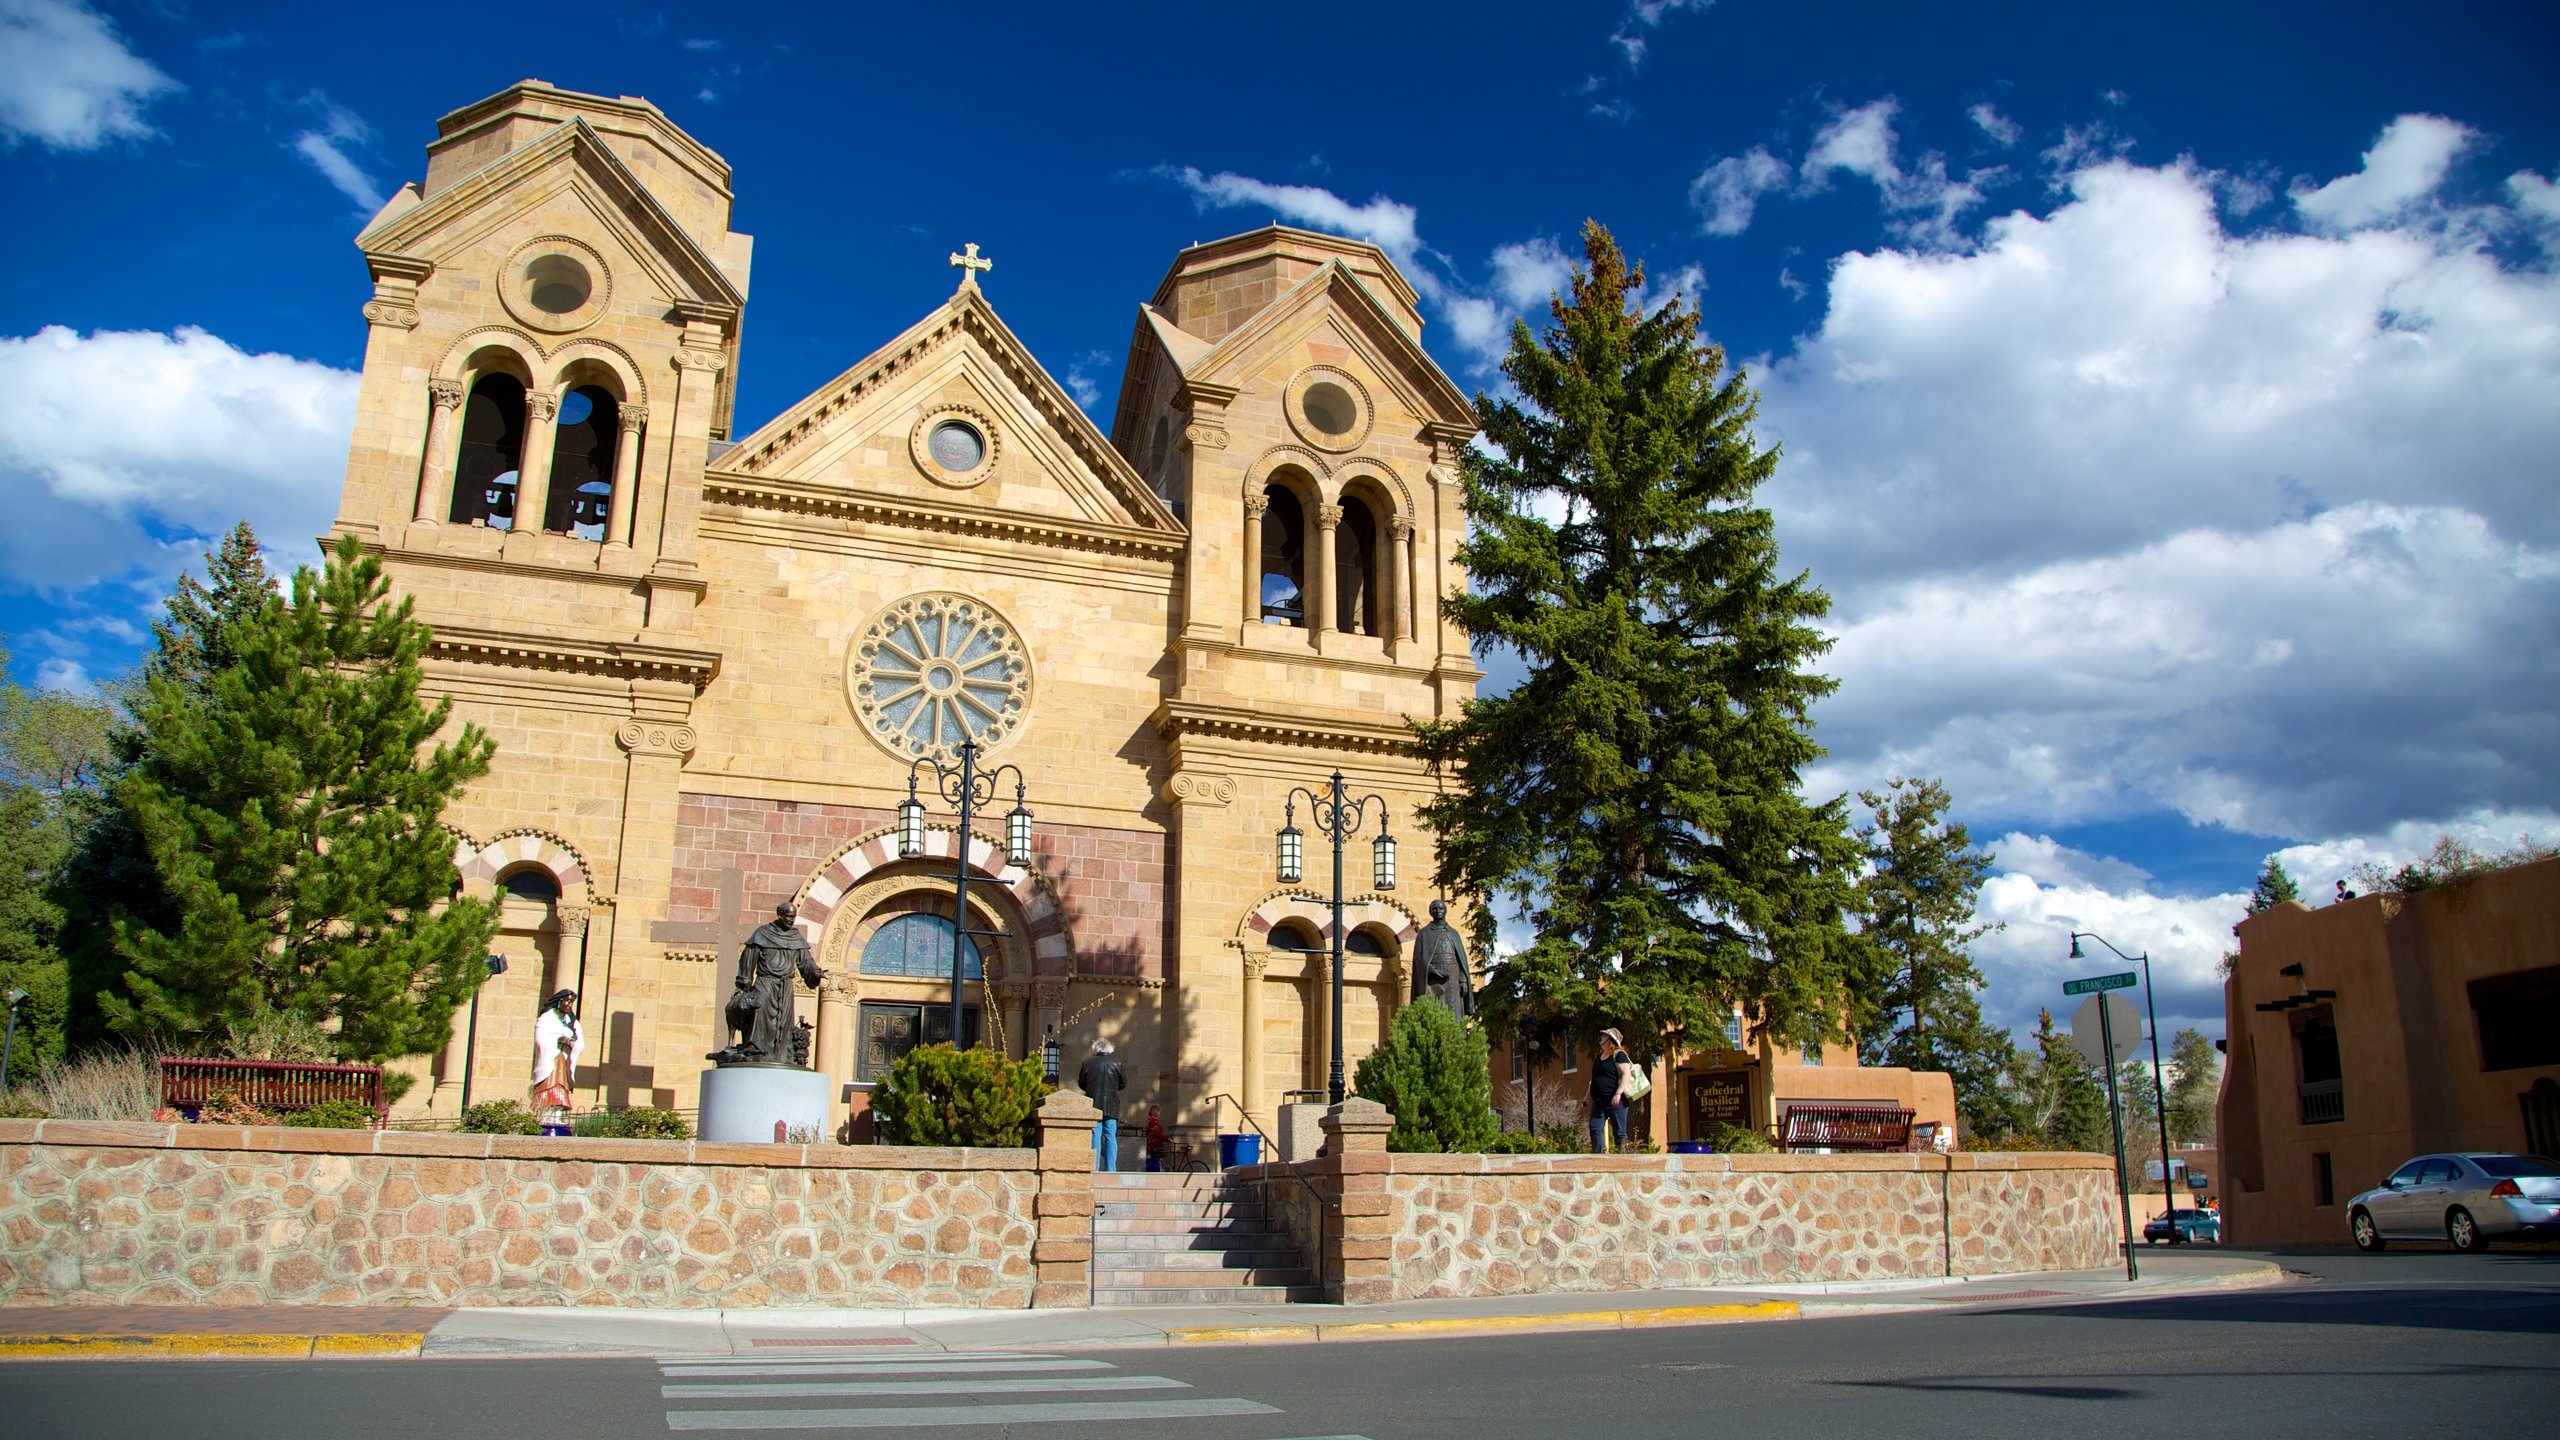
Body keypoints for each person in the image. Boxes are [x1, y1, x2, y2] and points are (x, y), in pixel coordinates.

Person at [531, 989, 582, 1134]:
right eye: (566, 1001)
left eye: (571, 1002)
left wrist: (570, 1043)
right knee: (550, 1086)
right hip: (550, 1060)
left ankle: (557, 1116)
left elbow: (580, 1043)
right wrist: (556, 1041)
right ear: (558, 1001)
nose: (568, 1005)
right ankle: (546, 1116)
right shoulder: (546, 1019)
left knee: (561, 1088)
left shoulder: (571, 1022)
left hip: (563, 1060)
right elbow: (540, 1040)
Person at [1078, 1039, 1126, 1171]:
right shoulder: (1117, 1063)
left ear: (1095, 1049)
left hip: (1094, 1103)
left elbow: (1082, 1083)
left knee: (1095, 1135)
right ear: (1110, 1050)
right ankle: (1111, 1170)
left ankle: (1095, 1168)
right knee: (1111, 1136)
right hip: (1111, 1105)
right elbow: (1123, 1084)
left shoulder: (1087, 1063)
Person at [1589, 1027, 1633, 1152]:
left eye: (1604, 1036)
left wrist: (1618, 1093)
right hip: (1599, 1102)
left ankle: (1623, 1160)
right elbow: (1594, 1079)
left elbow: (1626, 1074)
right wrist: (1588, 1096)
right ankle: (1599, 1157)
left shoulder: (1619, 1055)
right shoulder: (1599, 1057)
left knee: (1619, 1133)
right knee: (1595, 1128)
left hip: (1616, 1102)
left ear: (1610, 1040)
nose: (1601, 1038)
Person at [1143, 1104, 1168, 1172]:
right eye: (1159, 1111)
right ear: (1155, 1111)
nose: (1159, 1113)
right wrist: (1167, 1139)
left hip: (1151, 1144)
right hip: (1155, 1144)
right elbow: (1156, 1133)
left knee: (1153, 1160)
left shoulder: (1149, 1120)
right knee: (1155, 1161)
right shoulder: (1154, 1120)